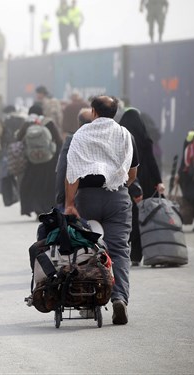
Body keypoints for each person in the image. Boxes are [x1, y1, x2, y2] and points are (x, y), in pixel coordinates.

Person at [65, 95, 138, 325]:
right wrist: (120, 189)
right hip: (117, 197)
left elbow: (73, 171)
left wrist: (69, 203)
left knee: (87, 249)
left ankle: (88, 302)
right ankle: (119, 299)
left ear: (94, 112)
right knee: (119, 250)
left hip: (88, 198)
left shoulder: (82, 134)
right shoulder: (126, 135)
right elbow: (132, 172)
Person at [119, 108, 165, 265]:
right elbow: (152, 162)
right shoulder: (145, 139)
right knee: (144, 217)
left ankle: (130, 253)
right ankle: (142, 253)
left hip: (126, 182)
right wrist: (159, 182)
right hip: (146, 182)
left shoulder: (120, 138)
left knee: (129, 218)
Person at [17, 103, 63, 217]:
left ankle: (36, 209)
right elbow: (59, 140)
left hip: (32, 161)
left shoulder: (28, 123)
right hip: (50, 161)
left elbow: (18, 138)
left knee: (33, 185)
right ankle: (48, 208)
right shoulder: (49, 122)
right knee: (48, 185)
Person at [55, 107, 92, 210]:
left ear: (79, 123)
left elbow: (62, 169)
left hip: (79, 196)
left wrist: (60, 199)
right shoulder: (110, 138)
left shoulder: (72, 140)